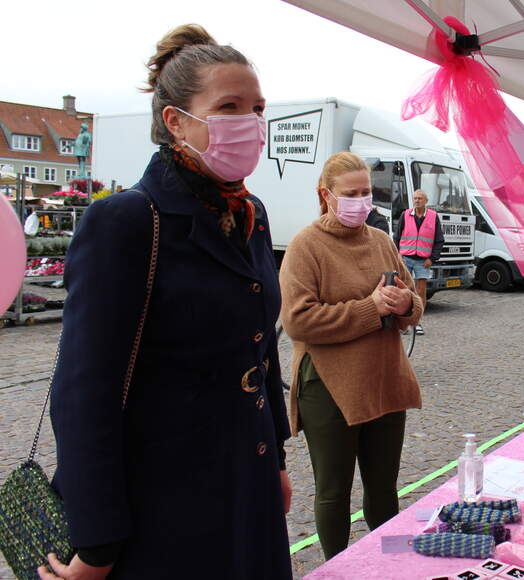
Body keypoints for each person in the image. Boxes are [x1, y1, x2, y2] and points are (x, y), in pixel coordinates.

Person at [42, 25, 292, 580]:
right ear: (177, 121)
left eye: (257, 108)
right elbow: (84, 393)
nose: (250, 122)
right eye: (229, 106)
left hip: (245, 489)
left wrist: (272, 456)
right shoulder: (127, 221)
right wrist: (97, 542)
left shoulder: (250, 216)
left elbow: (260, 349)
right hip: (164, 506)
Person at [280, 151, 423, 560]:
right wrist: (370, 307)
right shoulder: (306, 245)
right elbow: (298, 320)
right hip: (328, 386)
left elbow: (413, 301)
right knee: (334, 489)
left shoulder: (380, 240)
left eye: (366, 192)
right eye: (352, 193)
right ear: (326, 195)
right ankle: (337, 568)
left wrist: (402, 305)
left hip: (384, 381)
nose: (362, 201)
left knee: (383, 487)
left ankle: (385, 564)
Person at [393, 189, 443, 335]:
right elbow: (396, 237)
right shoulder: (405, 215)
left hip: (423, 261)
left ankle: (417, 322)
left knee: (421, 291)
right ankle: (403, 322)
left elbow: (439, 240)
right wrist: (398, 255)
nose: (417, 201)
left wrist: (432, 258)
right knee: (404, 290)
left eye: (420, 198)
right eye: (415, 198)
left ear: (426, 201)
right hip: (405, 259)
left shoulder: (434, 217)